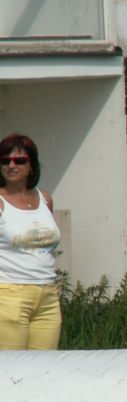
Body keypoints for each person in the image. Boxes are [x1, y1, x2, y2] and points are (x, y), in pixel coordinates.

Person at [0, 133, 61, 350]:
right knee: (11, 366)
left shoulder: (45, 199)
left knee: (45, 365)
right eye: (5, 160)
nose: (11, 166)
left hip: (47, 295)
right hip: (9, 294)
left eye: (19, 160)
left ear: (31, 166)